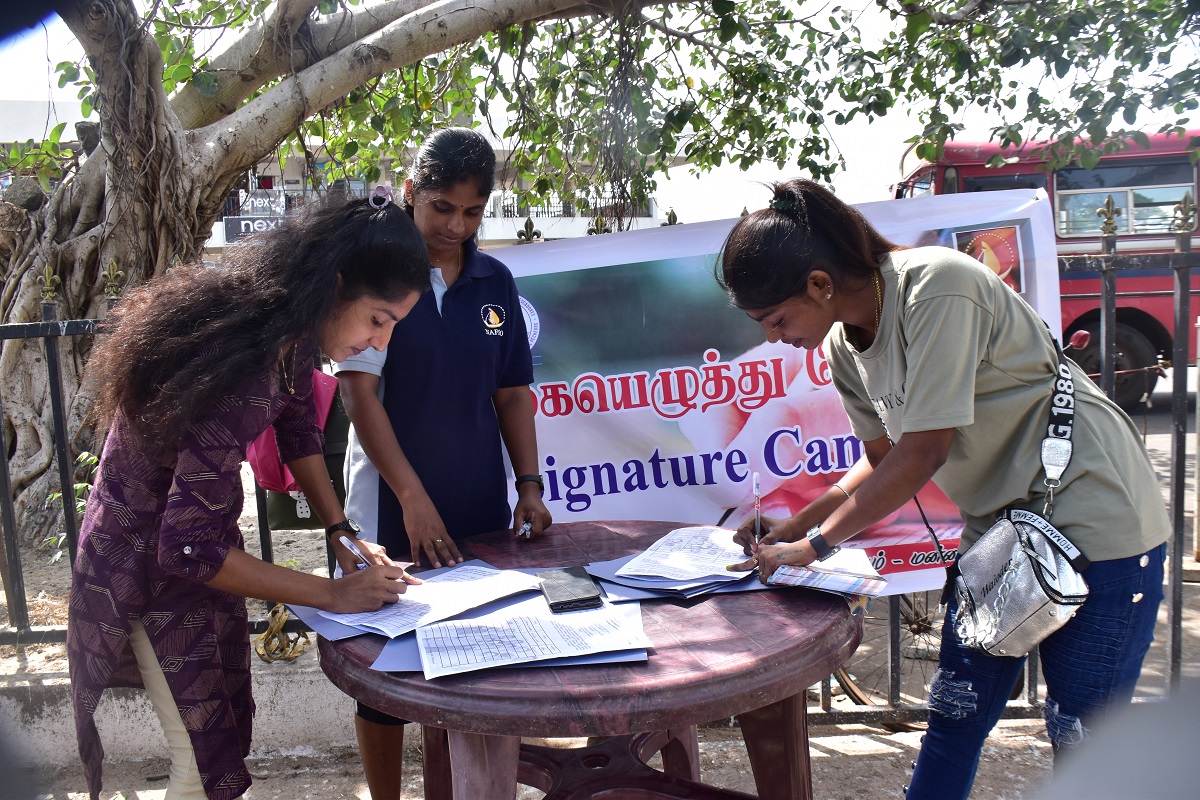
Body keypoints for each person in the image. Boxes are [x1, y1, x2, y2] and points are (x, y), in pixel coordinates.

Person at [718, 179, 1169, 799]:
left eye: (775, 318)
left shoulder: (938, 285)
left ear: (820, 284)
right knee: (955, 715)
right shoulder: (846, 350)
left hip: (1099, 523)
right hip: (1003, 536)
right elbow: (881, 462)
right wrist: (789, 528)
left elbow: (923, 451)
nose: (773, 336)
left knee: (1081, 734)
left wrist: (816, 547)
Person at [67, 189, 431, 800]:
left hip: (192, 558)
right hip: (144, 569)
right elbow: (187, 550)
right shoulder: (243, 365)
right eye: (377, 319)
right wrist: (333, 595)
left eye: (393, 326)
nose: (380, 344)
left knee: (223, 743)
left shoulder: (282, 331)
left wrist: (342, 534)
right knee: (199, 774)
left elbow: (297, 431)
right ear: (334, 284)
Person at [334, 127, 552, 798]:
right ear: (410, 192)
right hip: (391, 508)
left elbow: (512, 394)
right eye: (441, 208)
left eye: (473, 211)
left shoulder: (496, 281)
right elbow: (359, 394)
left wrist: (529, 484)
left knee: (479, 665)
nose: (457, 225)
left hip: (479, 503)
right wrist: (411, 496)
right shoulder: (379, 271)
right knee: (386, 675)